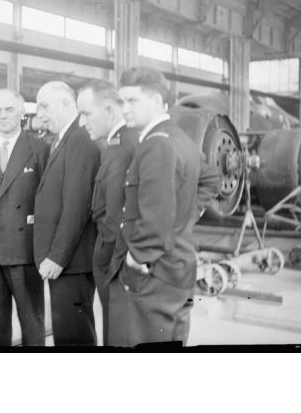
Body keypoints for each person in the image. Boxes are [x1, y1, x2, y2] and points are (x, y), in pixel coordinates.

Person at [109, 66, 205, 347]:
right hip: (177, 266)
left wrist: (135, 260)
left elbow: (155, 218)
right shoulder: (179, 138)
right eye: (122, 101)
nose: (125, 109)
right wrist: (185, 218)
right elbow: (205, 182)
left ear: (155, 101)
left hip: (153, 274)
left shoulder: (156, 145)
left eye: (132, 101)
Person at [0, 89, 49, 346]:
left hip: (24, 248)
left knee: (31, 320)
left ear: (22, 113)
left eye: (9, 110)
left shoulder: (39, 149)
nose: (3, 116)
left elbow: (45, 200)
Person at [34, 81, 101, 346]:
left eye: (44, 106)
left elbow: (77, 204)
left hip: (72, 261)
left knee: (74, 337)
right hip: (69, 261)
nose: (39, 114)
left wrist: (57, 257)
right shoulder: (64, 138)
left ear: (65, 103)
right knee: (67, 334)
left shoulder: (80, 139)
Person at [76, 80, 139, 344]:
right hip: (111, 252)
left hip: (115, 256)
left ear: (110, 110)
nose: (82, 123)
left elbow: (115, 212)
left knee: (118, 333)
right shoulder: (115, 144)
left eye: (87, 114)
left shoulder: (125, 145)